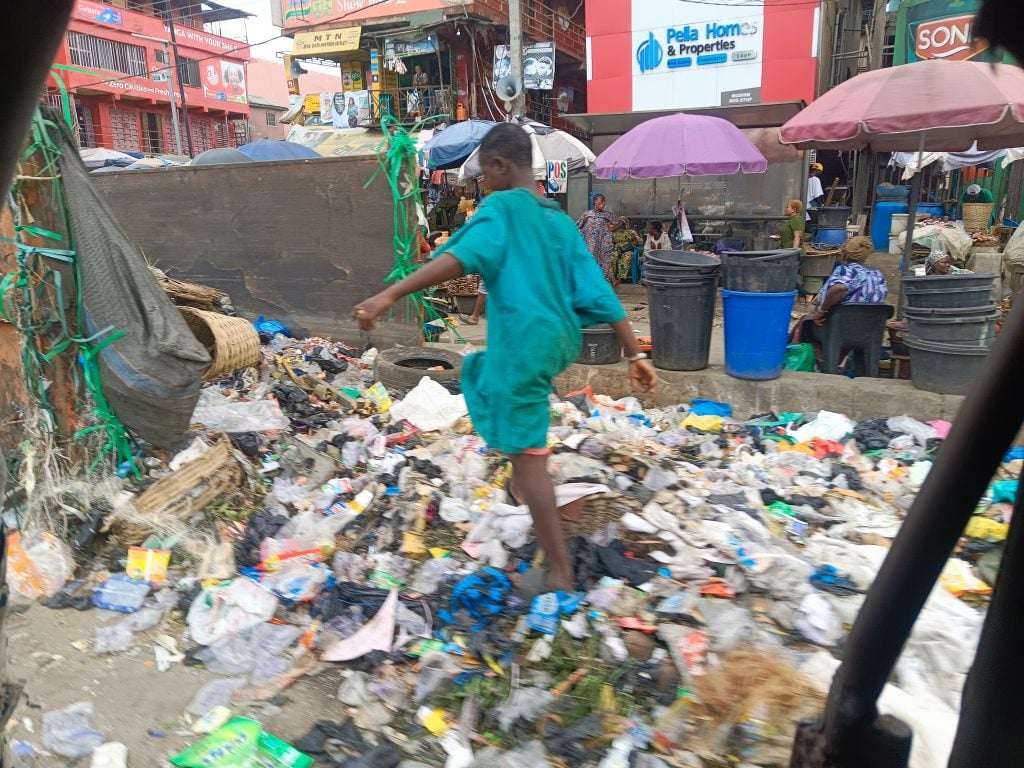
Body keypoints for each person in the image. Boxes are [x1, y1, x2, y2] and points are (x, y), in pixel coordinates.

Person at [352, 123, 657, 593]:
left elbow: (456, 260)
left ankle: (560, 571)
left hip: (524, 342)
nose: (483, 182)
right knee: (484, 379)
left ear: (500, 165)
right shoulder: (556, 219)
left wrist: (387, 296)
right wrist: (636, 353)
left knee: (528, 448)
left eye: (484, 172)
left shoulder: (501, 209)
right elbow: (596, 288)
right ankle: (519, 486)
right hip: (558, 341)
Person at [805, 236, 888, 327]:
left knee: (803, 324)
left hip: (841, 329)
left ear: (845, 251)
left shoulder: (846, 271)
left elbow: (838, 289)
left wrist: (821, 311)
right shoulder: (878, 276)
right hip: (870, 330)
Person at [577, 193, 624, 285]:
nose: (603, 203)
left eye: (604, 202)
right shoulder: (587, 215)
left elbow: (622, 220)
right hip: (590, 244)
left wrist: (614, 228)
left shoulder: (607, 215)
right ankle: (590, 281)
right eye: (601, 201)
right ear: (595, 201)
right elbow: (578, 226)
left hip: (603, 244)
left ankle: (604, 282)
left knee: (605, 261)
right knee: (590, 260)